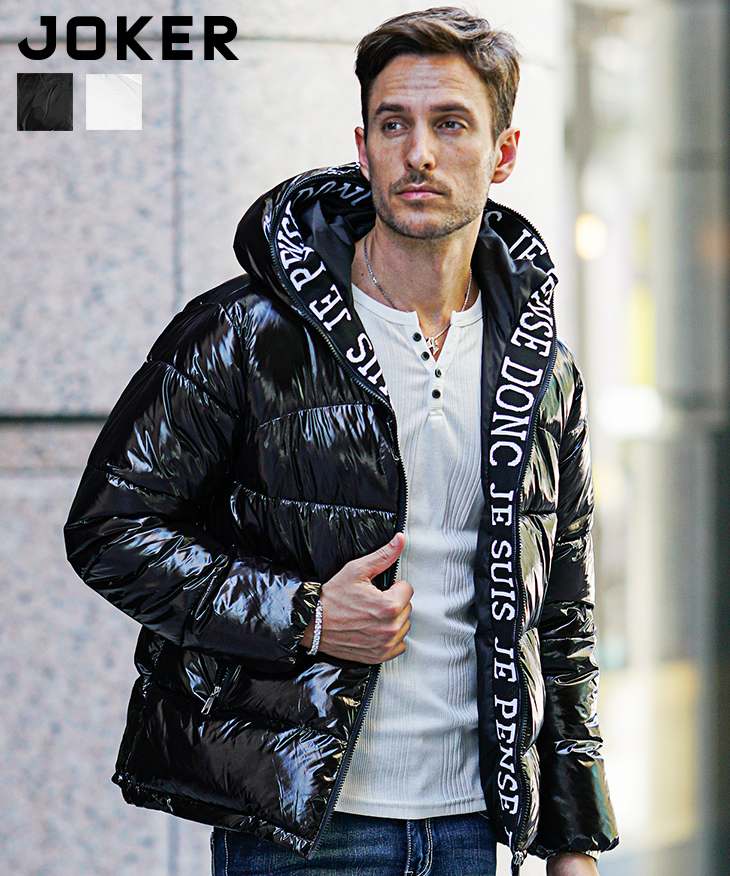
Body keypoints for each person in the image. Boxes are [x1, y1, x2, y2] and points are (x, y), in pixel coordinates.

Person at [63, 6, 620, 875]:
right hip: (304, 831)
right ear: (363, 148)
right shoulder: (248, 333)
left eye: (451, 124)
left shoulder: (542, 368)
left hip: (474, 829)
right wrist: (307, 616)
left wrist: (573, 838)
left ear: (503, 154)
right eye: (394, 125)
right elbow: (109, 530)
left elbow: (564, 614)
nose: (419, 153)